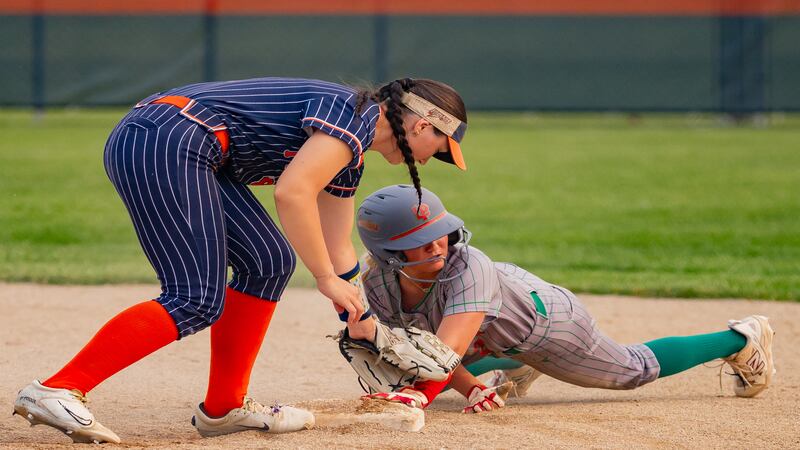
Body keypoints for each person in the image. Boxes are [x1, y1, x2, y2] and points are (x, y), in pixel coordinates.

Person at [13, 78, 468, 443]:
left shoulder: (352, 153)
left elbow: (338, 248)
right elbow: (293, 194)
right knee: (195, 298)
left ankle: (224, 408)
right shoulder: (354, 116)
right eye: (442, 149)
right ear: (423, 126)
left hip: (189, 149)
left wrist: (363, 321)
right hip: (165, 138)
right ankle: (57, 388)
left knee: (268, 261)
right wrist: (326, 278)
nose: (432, 160)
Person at [352, 185, 775, 413]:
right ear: (389, 255)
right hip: (484, 332)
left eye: (438, 234)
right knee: (410, 361)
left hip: (547, 325)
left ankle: (741, 339)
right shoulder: (377, 283)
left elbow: (445, 353)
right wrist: (471, 389)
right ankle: (513, 365)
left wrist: (417, 398)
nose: (437, 246)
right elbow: (427, 351)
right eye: (420, 243)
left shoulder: (468, 265)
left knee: (633, 370)